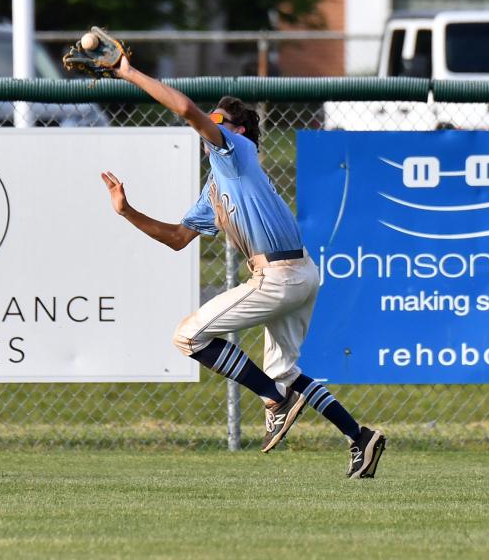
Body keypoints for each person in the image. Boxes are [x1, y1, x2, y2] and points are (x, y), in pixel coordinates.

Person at [100, 55, 386, 479]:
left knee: (189, 337)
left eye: (219, 122)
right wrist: (128, 212)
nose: (209, 128)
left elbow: (185, 110)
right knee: (284, 370)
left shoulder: (235, 153)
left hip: (279, 276)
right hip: (302, 273)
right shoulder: (217, 185)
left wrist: (127, 73)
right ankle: (359, 436)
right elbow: (178, 239)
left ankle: (275, 399)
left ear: (240, 132)